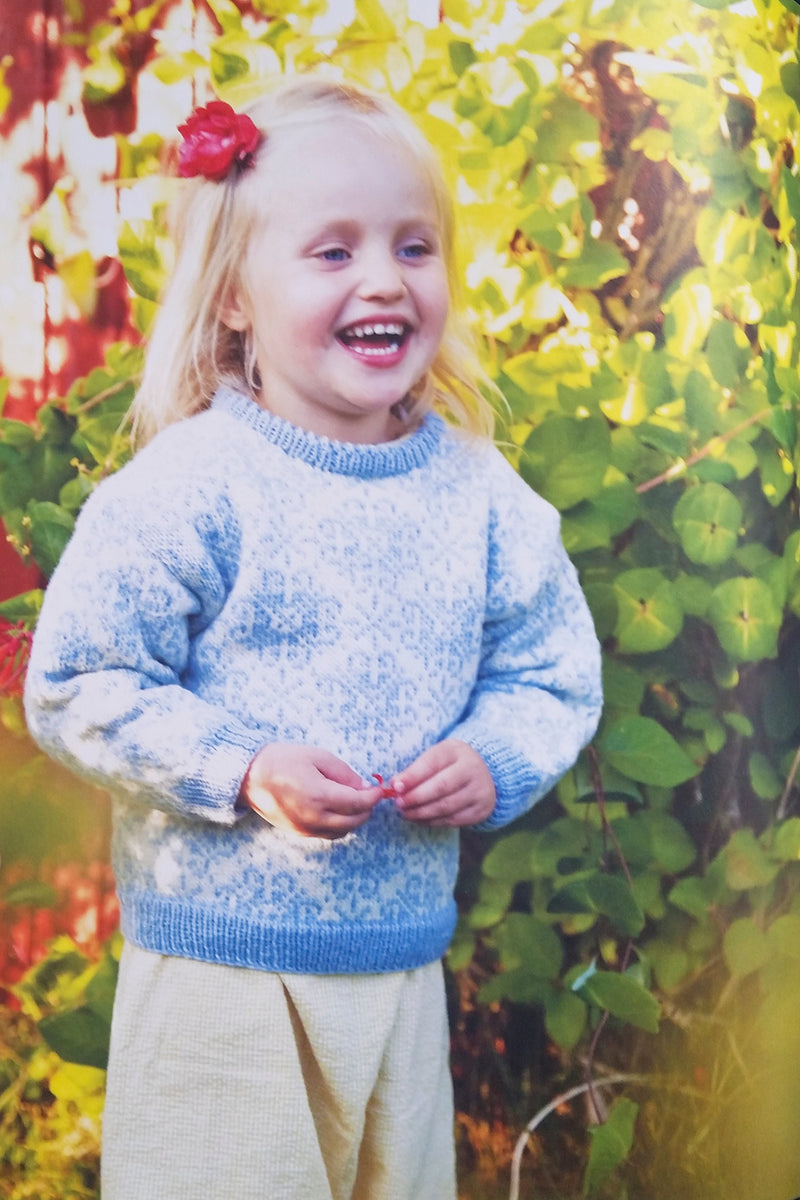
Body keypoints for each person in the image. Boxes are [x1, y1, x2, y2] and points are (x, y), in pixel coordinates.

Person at [23, 77, 602, 1200]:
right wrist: (240, 768)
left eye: (413, 246)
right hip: (220, 980)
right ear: (234, 296)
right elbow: (80, 680)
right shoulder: (192, 486)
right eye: (330, 253)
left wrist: (495, 756)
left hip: (396, 971)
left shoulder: (480, 497)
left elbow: (549, 672)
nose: (383, 278)